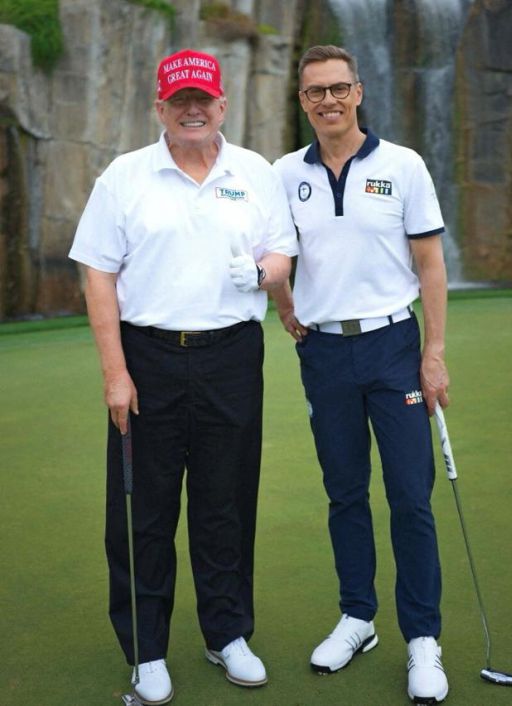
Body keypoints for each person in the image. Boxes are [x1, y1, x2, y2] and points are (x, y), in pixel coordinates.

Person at [69, 48, 297, 705]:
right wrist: (116, 372)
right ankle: (147, 650)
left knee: (227, 500)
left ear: (222, 105)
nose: (192, 110)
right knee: (143, 508)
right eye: (179, 101)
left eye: (202, 100)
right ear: (160, 108)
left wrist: (262, 272)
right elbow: (98, 275)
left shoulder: (254, 171)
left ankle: (228, 634)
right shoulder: (125, 176)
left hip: (232, 355)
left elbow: (281, 251)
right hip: (148, 356)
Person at [271, 45, 450, 704]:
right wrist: (284, 306)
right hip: (324, 354)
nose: (329, 100)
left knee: (410, 495)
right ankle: (358, 617)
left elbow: (430, 264)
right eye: (316, 91)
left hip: (394, 345)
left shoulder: (404, 164)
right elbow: (277, 253)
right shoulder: (284, 174)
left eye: (338, 88)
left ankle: (423, 637)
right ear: (303, 101)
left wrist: (434, 352)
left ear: (359, 91)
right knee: (344, 492)